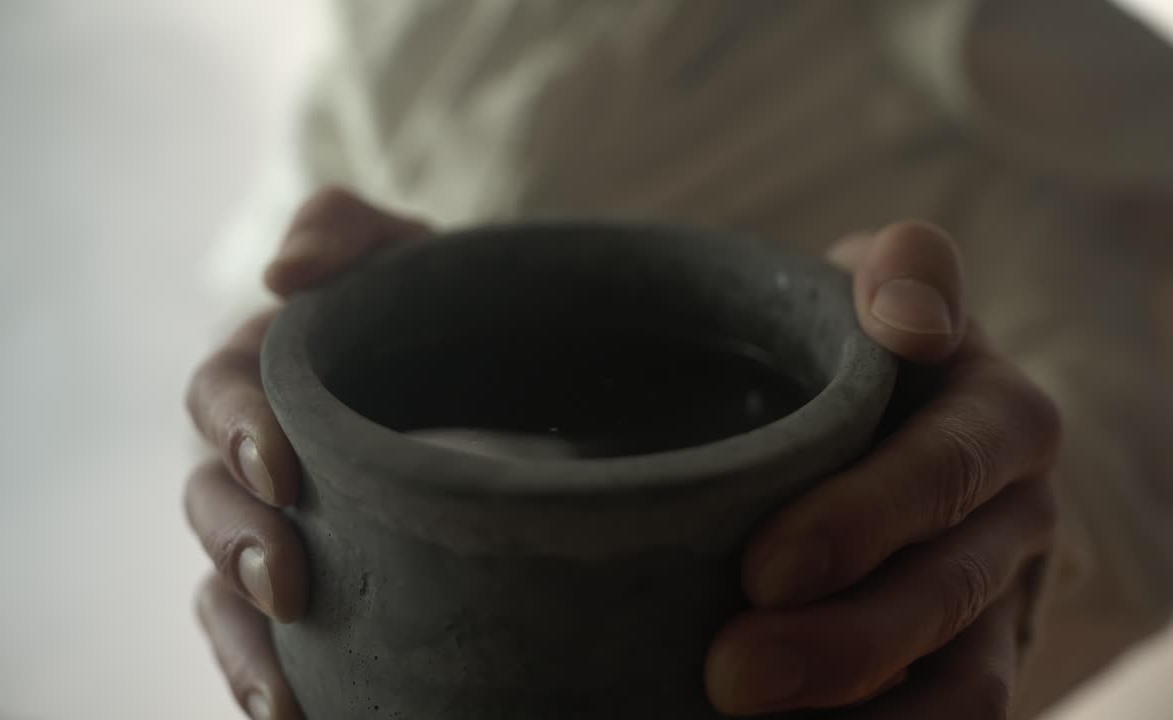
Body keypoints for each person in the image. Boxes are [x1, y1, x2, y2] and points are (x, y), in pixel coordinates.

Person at [183, 1, 1173, 718]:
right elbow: (293, 232)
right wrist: (253, 413)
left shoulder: (996, 53)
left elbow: (1114, 446)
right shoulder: (391, 33)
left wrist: (992, 527)